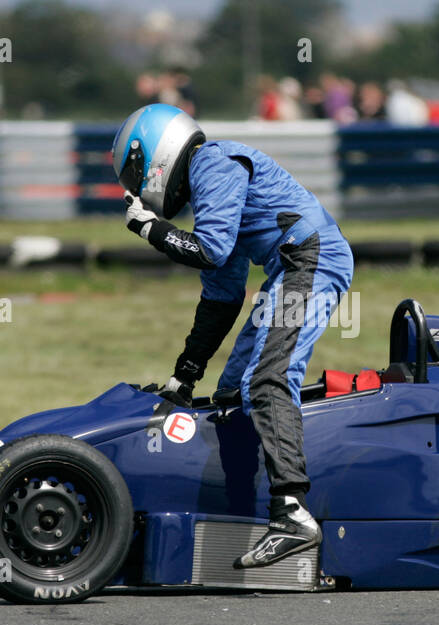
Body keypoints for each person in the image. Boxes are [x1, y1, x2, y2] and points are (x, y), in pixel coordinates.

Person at [112, 103, 354, 569]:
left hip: (311, 258)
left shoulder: (213, 164)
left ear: (156, 155)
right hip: (291, 265)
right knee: (230, 394)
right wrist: (184, 377)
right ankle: (241, 507)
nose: (137, 186)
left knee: (267, 380)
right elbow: (221, 296)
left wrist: (151, 229)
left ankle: (292, 514)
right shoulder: (213, 189)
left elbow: (209, 249)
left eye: (136, 172)